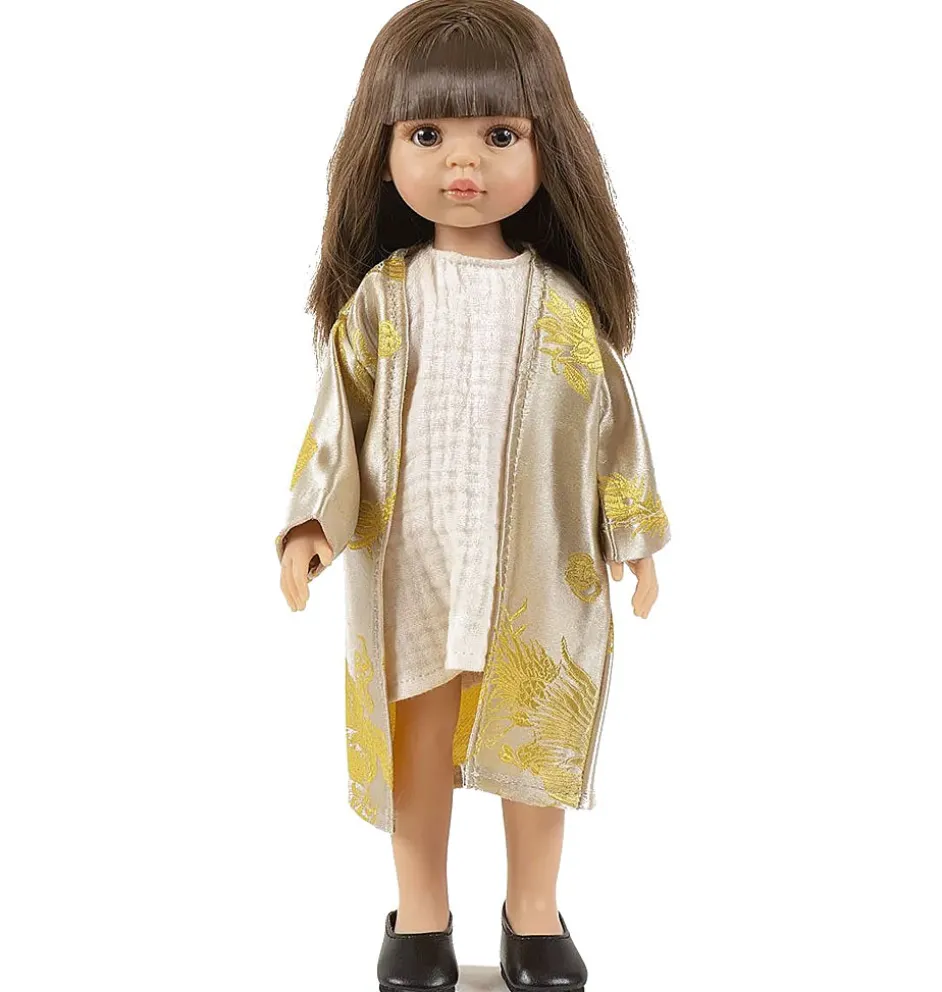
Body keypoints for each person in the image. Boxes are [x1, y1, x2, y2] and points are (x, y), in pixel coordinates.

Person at [275, 2, 672, 989]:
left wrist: (632, 536)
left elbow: (613, 427)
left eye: (500, 134)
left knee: (531, 737)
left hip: (534, 567)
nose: (464, 161)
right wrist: (311, 526)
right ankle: (421, 912)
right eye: (427, 134)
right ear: (381, 156)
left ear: (547, 151)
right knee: (416, 741)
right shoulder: (381, 300)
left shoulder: (564, 308)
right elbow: (337, 422)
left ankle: (534, 909)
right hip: (412, 564)